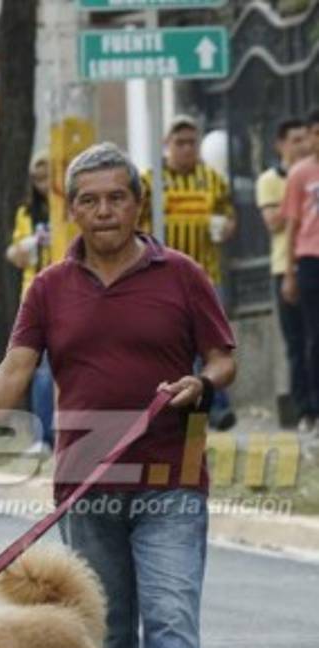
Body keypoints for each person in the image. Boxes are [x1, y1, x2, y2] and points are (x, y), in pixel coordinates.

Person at [0, 143, 237, 648]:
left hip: (173, 476)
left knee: (170, 623)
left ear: (137, 202)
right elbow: (16, 365)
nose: (104, 210)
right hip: (88, 485)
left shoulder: (182, 275)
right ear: (72, 208)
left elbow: (225, 356)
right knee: (104, 638)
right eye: (89, 199)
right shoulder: (49, 286)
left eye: (116, 197)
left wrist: (201, 383)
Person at [141, 115, 237, 431]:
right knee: (178, 343)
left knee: (213, 345)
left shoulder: (214, 181)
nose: (186, 149)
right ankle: (196, 406)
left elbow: (229, 216)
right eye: (179, 142)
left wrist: (224, 228)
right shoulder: (148, 182)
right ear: (167, 145)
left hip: (206, 276)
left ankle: (215, 407)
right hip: (162, 278)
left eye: (191, 143)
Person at [256, 118, 312, 433]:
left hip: (312, 260)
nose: (302, 145)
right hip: (284, 266)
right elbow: (274, 222)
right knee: (296, 341)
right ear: (280, 144)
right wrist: (297, 191)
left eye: (306, 138)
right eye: (295, 140)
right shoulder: (270, 180)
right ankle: (303, 408)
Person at [6, 149, 54, 453]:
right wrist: (23, 250)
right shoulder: (27, 213)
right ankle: (43, 437)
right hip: (35, 293)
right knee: (42, 369)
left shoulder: (74, 207)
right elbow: (14, 252)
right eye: (38, 177)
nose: (43, 183)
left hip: (73, 294)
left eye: (48, 174)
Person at [281, 108, 319, 435]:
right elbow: (291, 224)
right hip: (310, 259)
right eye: (315, 133)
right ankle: (311, 408)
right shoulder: (299, 174)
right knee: (313, 337)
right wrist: (290, 272)